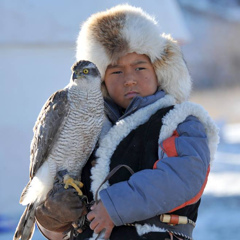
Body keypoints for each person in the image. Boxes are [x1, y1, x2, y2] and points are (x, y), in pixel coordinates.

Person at [35, 4, 219, 240]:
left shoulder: (180, 120)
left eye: (140, 67)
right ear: (101, 80)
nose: (129, 80)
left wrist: (115, 206)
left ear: (159, 71)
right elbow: (56, 215)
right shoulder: (87, 131)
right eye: (116, 72)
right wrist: (53, 218)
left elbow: (184, 177)